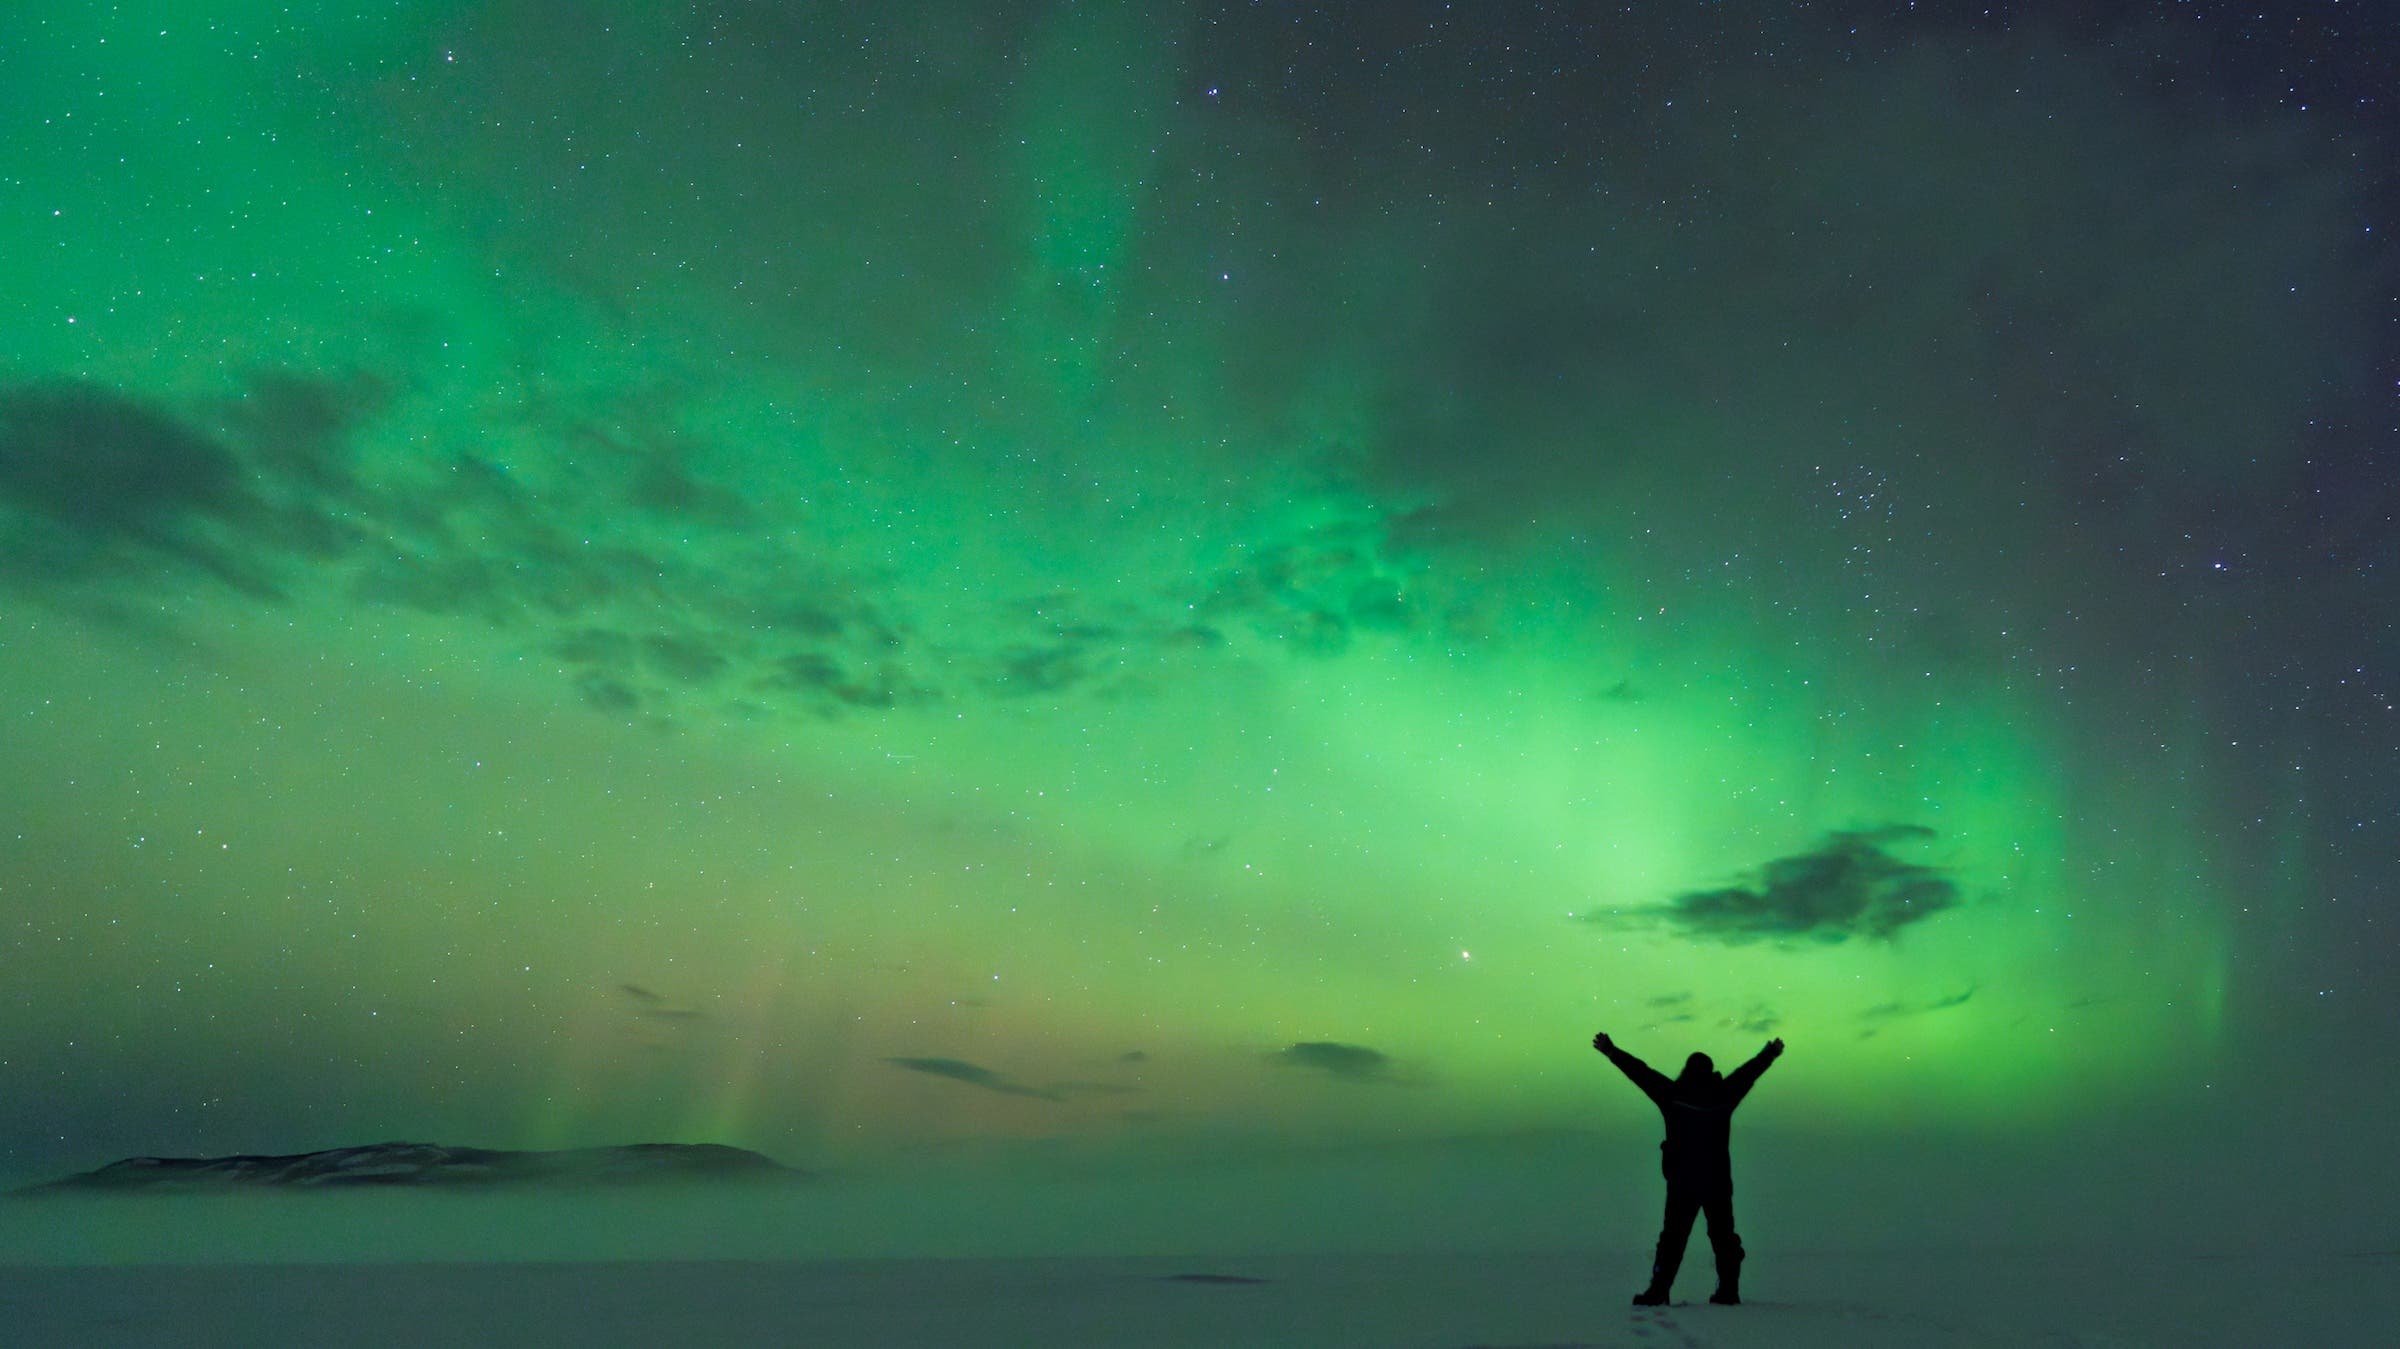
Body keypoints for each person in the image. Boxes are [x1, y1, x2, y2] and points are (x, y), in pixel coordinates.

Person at [1592, 1031, 1783, 1306]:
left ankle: (1659, 1290)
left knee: (1673, 1240)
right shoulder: (1723, 1095)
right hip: (1716, 1181)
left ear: (1687, 1071)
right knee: (1722, 1238)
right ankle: (1728, 1291)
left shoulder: (1673, 1095)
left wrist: (1612, 1051)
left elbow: (1641, 1073)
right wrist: (1770, 1053)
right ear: (1710, 1072)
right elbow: (1748, 1073)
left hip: (1684, 1182)